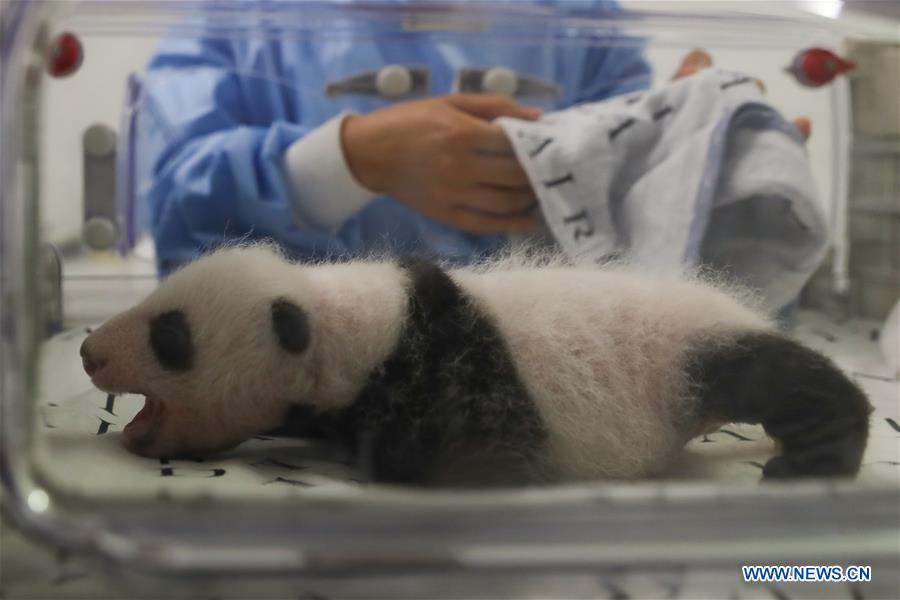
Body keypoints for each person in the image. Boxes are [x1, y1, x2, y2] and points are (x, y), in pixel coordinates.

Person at [135, 2, 810, 276]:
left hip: (538, 381)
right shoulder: (237, 19)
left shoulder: (578, 21)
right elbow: (178, 227)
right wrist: (352, 159)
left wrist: (699, 158)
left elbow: (626, 232)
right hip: (287, 384)